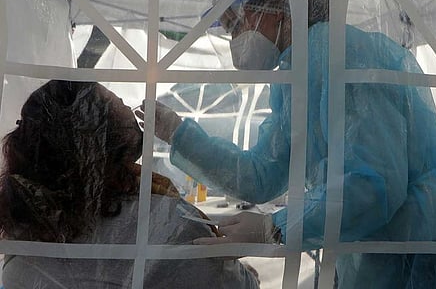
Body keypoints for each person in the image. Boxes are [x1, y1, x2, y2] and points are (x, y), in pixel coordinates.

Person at [135, 0, 436, 288]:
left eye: (236, 24)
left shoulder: (339, 54)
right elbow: (262, 174)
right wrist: (177, 132)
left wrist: (277, 227)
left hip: (428, 240)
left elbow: (373, 187)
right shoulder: (294, 74)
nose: (234, 40)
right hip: (387, 245)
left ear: (276, 8)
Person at [0, 80, 259, 289]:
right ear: (97, 137)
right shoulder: (165, 222)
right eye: (117, 104)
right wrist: (249, 276)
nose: (127, 107)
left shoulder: (23, 230)